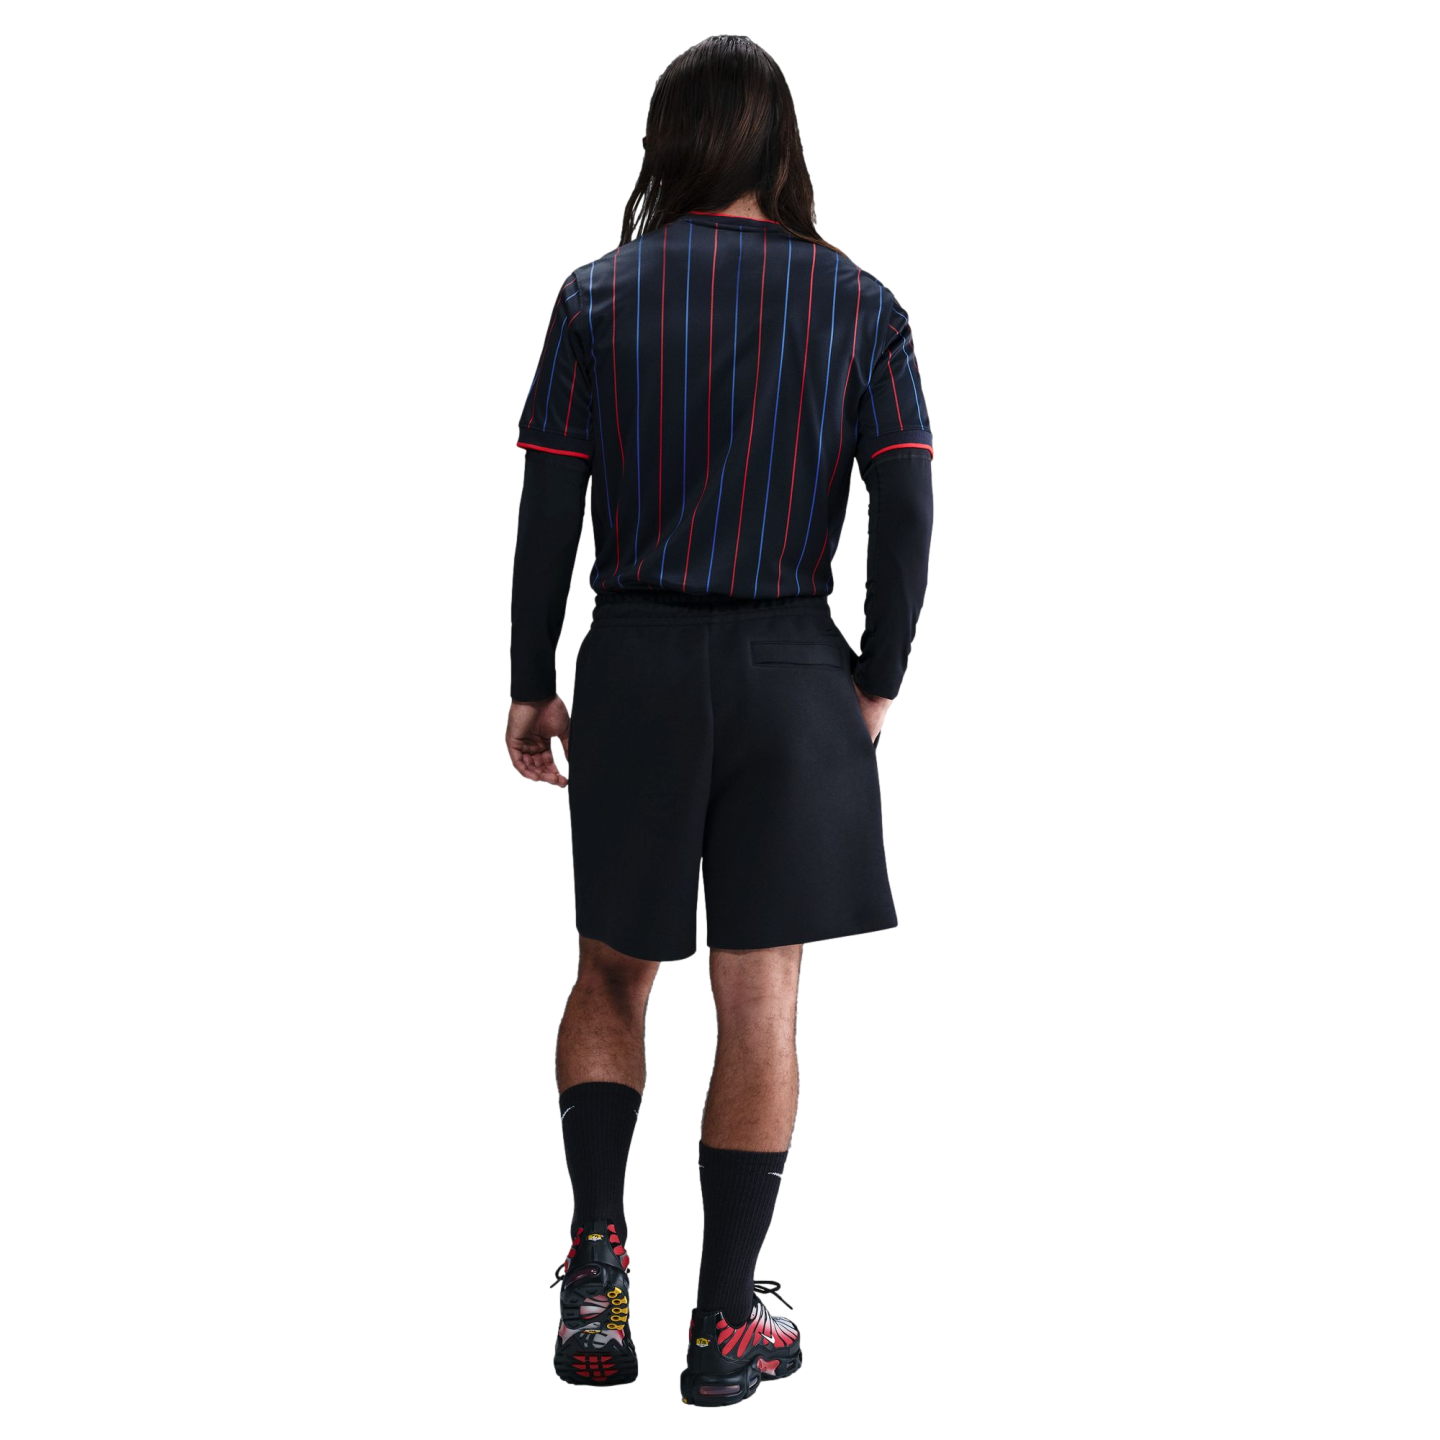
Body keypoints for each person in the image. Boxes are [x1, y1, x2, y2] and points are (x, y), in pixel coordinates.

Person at [504, 34, 935, 1408]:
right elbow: (909, 508)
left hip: (632, 663)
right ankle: (722, 1324)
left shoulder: (595, 294)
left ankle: (596, 1260)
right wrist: (875, 682)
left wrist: (530, 681)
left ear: (670, 141)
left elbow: (550, 510)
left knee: (610, 973)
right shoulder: (861, 302)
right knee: (762, 1000)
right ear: (781, 144)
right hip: (790, 668)